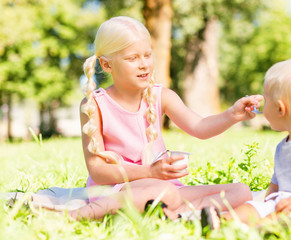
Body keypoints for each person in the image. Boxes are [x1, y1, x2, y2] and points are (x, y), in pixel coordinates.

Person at [68, 16, 263, 220]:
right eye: (132, 58)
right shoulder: (94, 106)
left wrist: (232, 115)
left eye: (147, 55)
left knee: (241, 192)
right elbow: (98, 171)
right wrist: (150, 172)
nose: (144, 64)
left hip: (164, 188)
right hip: (118, 190)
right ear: (107, 65)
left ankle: (172, 215)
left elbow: (200, 127)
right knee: (166, 192)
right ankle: (79, 215)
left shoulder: (162, 96)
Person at [201, 57, 291, 229]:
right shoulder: (283, 145)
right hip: (280, 203)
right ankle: (221, 222)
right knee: (249, 209)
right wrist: (263, 205)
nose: (263, 105)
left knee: (276, 219)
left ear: (280, 109)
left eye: (266, 100)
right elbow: (275, 186)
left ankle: (255, 229)